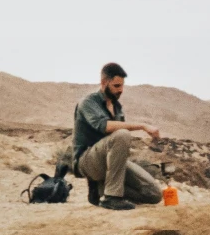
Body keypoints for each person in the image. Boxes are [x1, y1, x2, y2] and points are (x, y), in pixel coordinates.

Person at [70, 62, 164, 210]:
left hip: (108, 160)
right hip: (87, 161)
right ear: (103, 82)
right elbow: (105, 126)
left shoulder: (118, 108)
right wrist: (142, 126)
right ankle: (111, 197)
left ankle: (101, 191)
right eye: (116, 86)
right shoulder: (88, 102)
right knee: (122, 135)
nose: (121, 90)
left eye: (122, 86)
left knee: (154, 194)